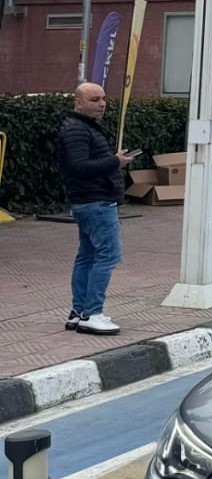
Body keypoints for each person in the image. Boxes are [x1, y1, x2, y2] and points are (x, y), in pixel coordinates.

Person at [56, 81, 131, 336]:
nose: (101, 104)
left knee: (88, 255)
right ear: (78, 102)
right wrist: (114, 162)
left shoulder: (82, 128)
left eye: (103, 99)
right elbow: (78, 167)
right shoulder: (77, 130)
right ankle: (92, 313)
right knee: (107, 255)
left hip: (90, 201)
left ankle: (79, 312)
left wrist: (113, 160)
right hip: (95, 201)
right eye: (94, 99)